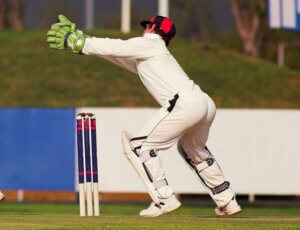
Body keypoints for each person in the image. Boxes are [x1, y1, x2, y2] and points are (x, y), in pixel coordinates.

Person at [47, 15, 241, 217]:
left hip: (186, 103)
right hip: (205, 103)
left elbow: (116, 46)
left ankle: (164, 198)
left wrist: (78, 41)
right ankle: (226, 199)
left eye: (147, 26)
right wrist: (80, 40)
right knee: (194, 150)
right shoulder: (154, 53)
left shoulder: (149, 43)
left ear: (150, 28)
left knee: (138, 146)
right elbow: (117, 55)